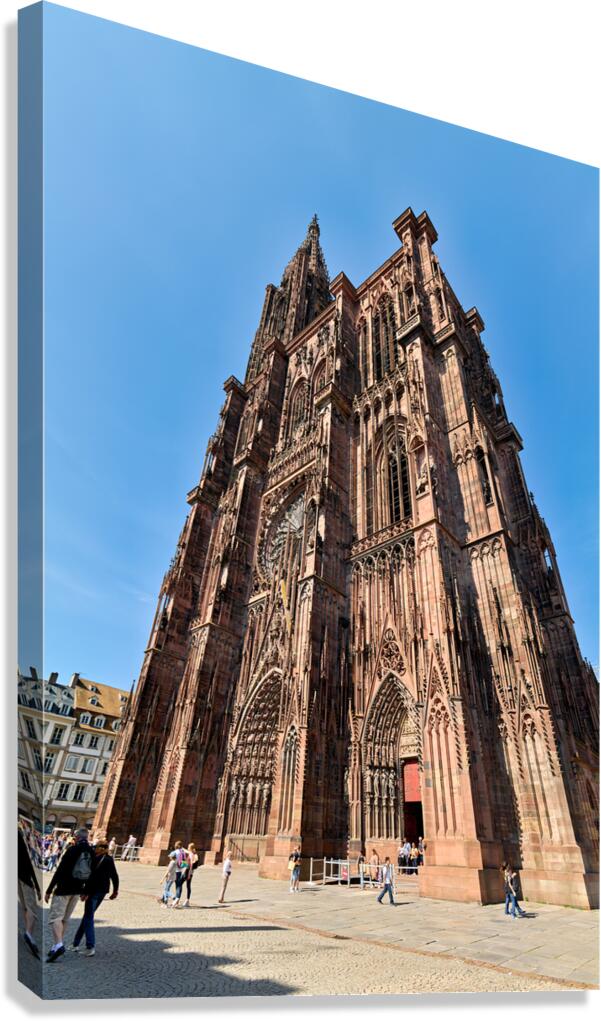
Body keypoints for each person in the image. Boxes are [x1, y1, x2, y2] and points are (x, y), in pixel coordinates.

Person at [45, 827, 94, 962]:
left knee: (56, 917)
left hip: (63, 889)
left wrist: (49, 889)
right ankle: (56, 946)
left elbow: (60, 870)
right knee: (65, 919)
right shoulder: (91, 851)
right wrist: (86, 891)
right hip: (78, 890)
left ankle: (59, 944)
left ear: (77, 837)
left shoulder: (72, 849)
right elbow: (92, 874)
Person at [71, 839, 119, 956]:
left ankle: (90, 946)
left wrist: (85, 892)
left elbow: (90, 877)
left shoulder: (94, 858)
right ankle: (75, 944)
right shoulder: (109, 859)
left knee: (88, 917)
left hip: (92, 892)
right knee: (88, 916)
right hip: (102, 891)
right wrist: (115, 890)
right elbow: (114, 876)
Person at [18, 827, 41, 958]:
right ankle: (29, 934)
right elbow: (28, 864)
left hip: (16, 877)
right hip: (25, 878)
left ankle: (28, 933)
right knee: (31, 908)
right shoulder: (19, 840)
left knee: (25, 907)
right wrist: (36, 886)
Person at [170, 841, 190, 908]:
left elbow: (170, 858)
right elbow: (184, 862)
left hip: (175, 871)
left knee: (177, 886)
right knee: (179, 885)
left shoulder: (175, 852)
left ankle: (176, 899)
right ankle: (177, 900)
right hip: (181, 870)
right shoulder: (183, 853)